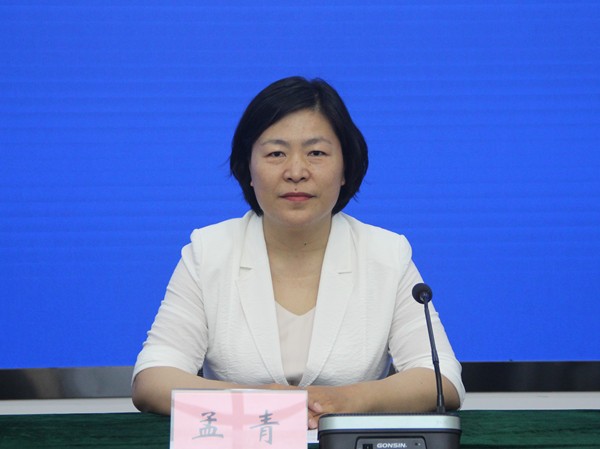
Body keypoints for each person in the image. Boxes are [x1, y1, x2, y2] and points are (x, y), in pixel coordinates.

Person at [131, 76, 465, 429]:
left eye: (316, 153)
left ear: (345, 168)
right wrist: (258, 402)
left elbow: (442, 379)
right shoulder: (209, 251)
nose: (295, 172)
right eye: (276, 153)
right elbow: (152, 379)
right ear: (248, 169)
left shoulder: (385, 254)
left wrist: (343, 401)